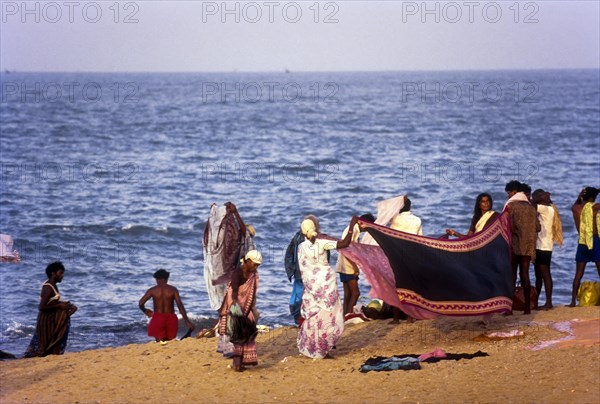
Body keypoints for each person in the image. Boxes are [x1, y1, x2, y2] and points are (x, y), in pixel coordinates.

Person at [297, 216, 358, 359]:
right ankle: (324, 349)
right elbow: (345, 243)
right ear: (315, 229)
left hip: (312, 288)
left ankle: (314, 348)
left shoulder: (301, 247)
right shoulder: (322, 243)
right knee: (329, 317)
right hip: (326, 287)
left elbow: (303, 269)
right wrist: (352, 226)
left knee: (315, 318)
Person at [217, 250, 261, 372]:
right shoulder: (238, 272)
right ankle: (237, 364)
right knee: (237, 335)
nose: (255, 267)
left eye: (257, 265)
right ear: (247, 261)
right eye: (254, 264)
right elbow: (234, 288)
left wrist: (249, 308)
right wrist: (236, 304)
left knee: (247, 333)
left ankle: (241, 363)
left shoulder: (253, 274)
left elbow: (252, 294)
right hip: (235, 308)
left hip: (246, 309)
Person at [24, 262, 77, 357]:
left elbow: (51, 302)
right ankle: (53, 352)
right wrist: (59, 306)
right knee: (46, 344)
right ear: (53, 273)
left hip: (51, 317)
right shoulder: (48, 288)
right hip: (46, 319)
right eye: (60, 273)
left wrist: (63, 304)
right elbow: (41, 307)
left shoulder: (53, 285)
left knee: (70, 310)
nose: (62, 276)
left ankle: (54, 352)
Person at [504, 180, 540, 314]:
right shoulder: (531, 207)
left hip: (515, 245)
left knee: (512, 275)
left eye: (509, 193)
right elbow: (538, 227)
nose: (508, 196)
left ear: (514, 192)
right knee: (525, 274)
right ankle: (526, 309)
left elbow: (509, 227)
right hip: (528, 247)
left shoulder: (511, 207)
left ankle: (510, 308)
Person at [139, 269, 194, 343]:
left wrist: (145, 311)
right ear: (166, 279)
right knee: (170, 342)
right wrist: (187, 321)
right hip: (171, 317)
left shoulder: (152, 290)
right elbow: (180, 305)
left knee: (160, 343)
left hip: (158, 317)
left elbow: (141, 303)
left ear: (158, 279)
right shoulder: (173, 289)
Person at [336, 214, 375, 318]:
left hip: (342, 265)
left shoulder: (351, 228)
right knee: (355, 293)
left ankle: (344, 316)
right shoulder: (354, 230)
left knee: (347, 294)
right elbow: (349, 250)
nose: (366, 230)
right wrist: (356, 267)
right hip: (348, 266)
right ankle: (349, 316)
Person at [284, 215, 320, 325]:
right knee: (298, 298)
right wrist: (290, 271)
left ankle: (307, 320)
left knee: (309, 298)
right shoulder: (297, 238)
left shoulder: (318, 239)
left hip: (312, 275)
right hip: (300, 274)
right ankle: (300, 320)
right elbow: (289, 254)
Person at [532, 189, 563, 310]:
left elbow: (531, 205)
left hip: (543, 247)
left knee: (545, 275)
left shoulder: (546, 209)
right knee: (539, 276)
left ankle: (548, 303)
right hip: (542, 246)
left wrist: (538, 198)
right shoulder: (550, 208)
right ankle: (536, 302)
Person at [569, 187, 600, 307]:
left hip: (582, 242)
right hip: (594, 240)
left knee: (578, 273)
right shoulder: (594, 207)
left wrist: (580, 196)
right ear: (592, 198)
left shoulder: (575, 208)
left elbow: (576, 203)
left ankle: (572, 301)